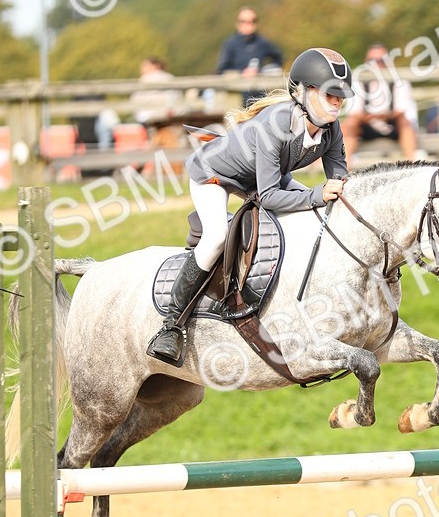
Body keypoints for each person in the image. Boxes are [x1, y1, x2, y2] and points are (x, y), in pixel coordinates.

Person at [147, 47, 353, 366]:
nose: (338, 103)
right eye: (330, 95)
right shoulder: (276, 124)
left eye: (341, 97)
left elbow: (339, 177)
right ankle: (171, 326)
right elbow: (270, 197)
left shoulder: (330, 130)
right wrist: (317, 195)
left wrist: (338, 195)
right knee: (216, 236)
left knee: (315, 213)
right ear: (304, 93)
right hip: (214, 174)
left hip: (261, 179)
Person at [340, 44, 424, 162]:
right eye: (372, 60)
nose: (376, 64)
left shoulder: (399, 81)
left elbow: (401, 111)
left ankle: (412, 165)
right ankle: (342, 171)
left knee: (406, 124)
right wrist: (372, 117)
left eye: (381, 61)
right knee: (348, 125)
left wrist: (383, 116)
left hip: (393, 124)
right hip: (365, 125)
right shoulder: (358, 81)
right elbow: (354, 113)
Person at [216, 7, 283, 107]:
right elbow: (222, 69)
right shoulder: (230, 43)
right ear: (237, 23)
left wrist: (264, 71)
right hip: (237, 98)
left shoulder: (262, 42)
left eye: (252, 21)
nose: (249, 24)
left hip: (259, 97)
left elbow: (278, 58)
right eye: (244, 21)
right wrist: (241, 73)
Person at [130, 57, 182, 127]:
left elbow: (136, 100)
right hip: (171, 112)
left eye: (145, 65)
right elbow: (176, 96)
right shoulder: (170, 77)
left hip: (150, 114)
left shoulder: (144, 79)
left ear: (155, 66)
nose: (142, 69)